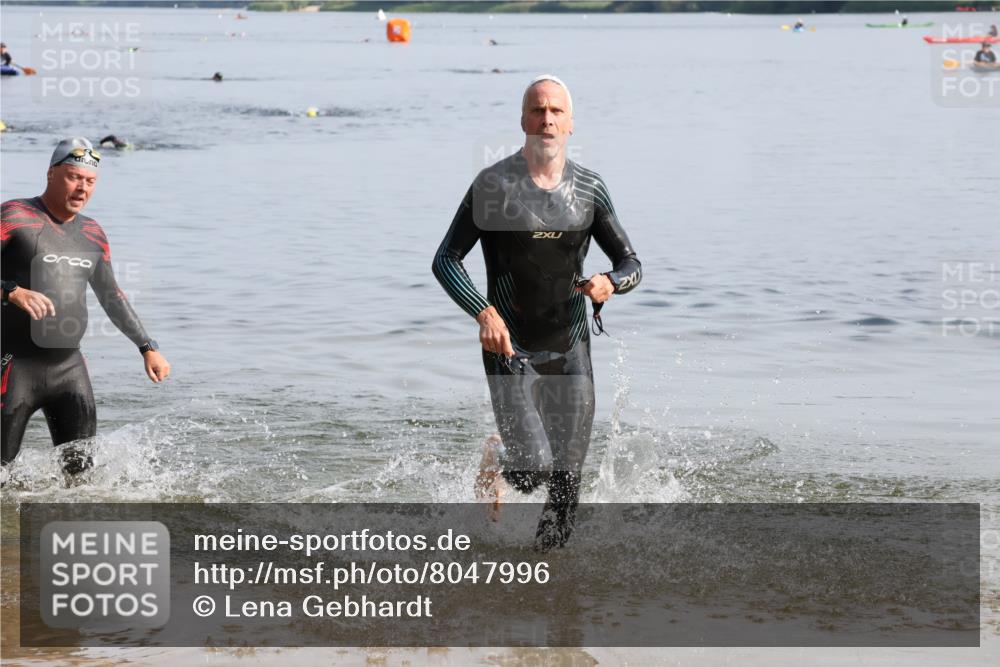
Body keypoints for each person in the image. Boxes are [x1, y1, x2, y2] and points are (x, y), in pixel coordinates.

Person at [432, 75, 642, 551]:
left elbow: (632, 263)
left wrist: (611, 281)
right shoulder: (493, 185)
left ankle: (550, 590)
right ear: (523, 120)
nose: (546, 119)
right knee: (531, 472)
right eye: (537, 110)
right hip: (511, 347)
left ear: (570, 123)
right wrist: (482, 312)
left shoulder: (589, 189)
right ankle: (500, 456)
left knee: (567, 484)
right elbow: (445, 259)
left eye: (556, 112)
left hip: (569, 347)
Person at [1, 138, 170, 479]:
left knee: (82, 479)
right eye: (73, 177)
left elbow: (112, 295)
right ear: (51, 174)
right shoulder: (14, 216)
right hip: (13, 366)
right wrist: (12, 292)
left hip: (69, 369)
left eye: (90, 181)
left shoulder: (92, 233)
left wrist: (147, 347)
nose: (82, 188)